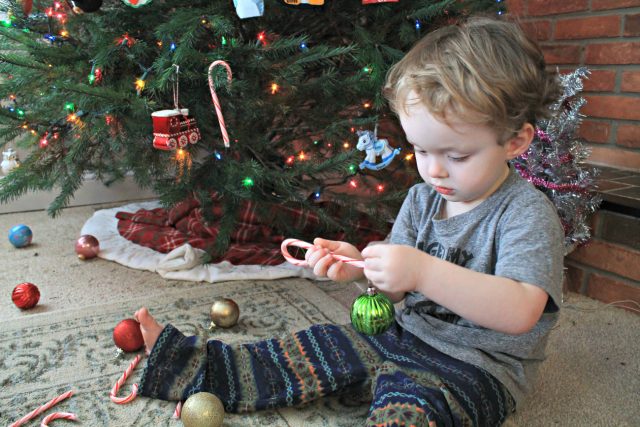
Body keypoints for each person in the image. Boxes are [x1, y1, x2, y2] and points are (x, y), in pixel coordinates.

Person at [135, 15, 564, 426]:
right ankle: (186, 364)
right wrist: (361, 268)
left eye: (457, 155)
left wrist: (422, 270)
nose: (435, 170)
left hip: (475, 369)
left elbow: (520, 311)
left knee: (410, 404)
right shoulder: (421, 199)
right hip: (397, 335)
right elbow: (394, 293)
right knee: (315, 346)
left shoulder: (525, 213)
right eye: (423, 150)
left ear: (515, 141)